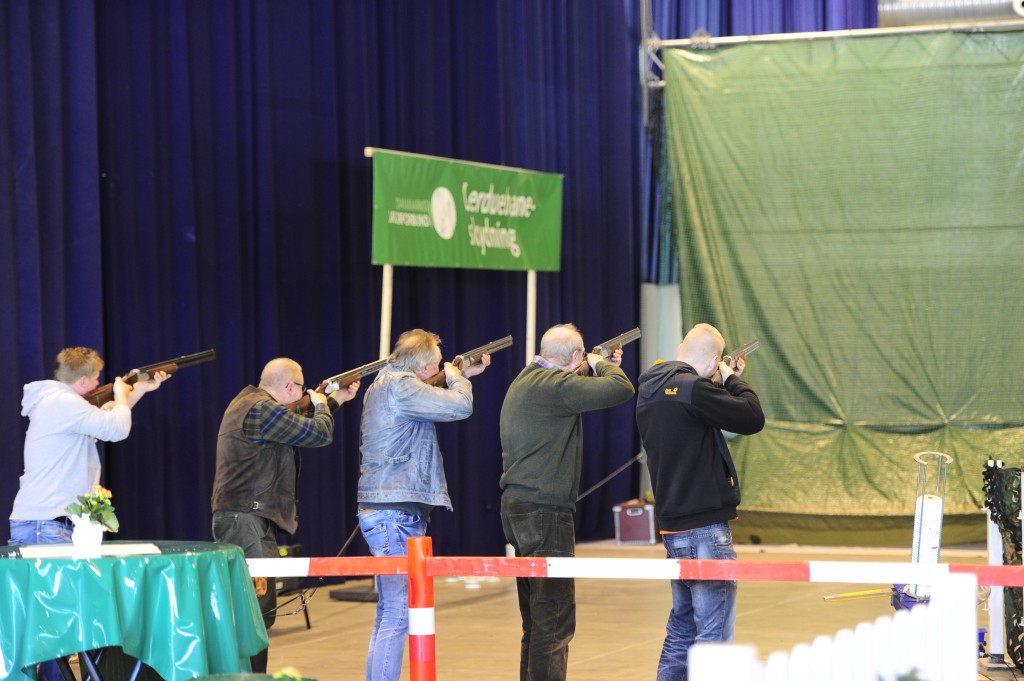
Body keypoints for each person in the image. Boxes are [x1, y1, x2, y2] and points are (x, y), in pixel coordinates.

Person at [9, 346, 168, 681]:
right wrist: (123, 393)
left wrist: (137, 390)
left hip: (49, 523)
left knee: (55, 625)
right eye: (96, 378)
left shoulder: (60, 403)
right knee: (55, 626)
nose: (101, 382)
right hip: (47, 525)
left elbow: (103, 424)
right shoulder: (63, 403)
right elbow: (118, 428)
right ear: (84, 381)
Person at [499, 323, 635, 681]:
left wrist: (588, 365)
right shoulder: (557, 387)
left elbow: (575, 386)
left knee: (538, 622)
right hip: (544, 512)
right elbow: (621, 387)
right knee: (555, 622)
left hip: (520, 508)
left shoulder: (527, 380)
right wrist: (601, 363)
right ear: (574, 356)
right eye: (581, 355)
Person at [211, 357, 359, 673]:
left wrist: (335, 400)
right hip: (245, 521)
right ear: (290, 387)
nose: (304, 393)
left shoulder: (254, 404)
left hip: (246, 520)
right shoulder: (262, 409)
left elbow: (297, 427)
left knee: (255, 611)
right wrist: (320, 404)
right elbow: (319, 434)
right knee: (253, 612)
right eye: (302, 388)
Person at [635, 323, 765, 681]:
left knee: (682, 628)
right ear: (711, 361)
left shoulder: (650, 386)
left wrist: (715, 379)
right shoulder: (693, 389)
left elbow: (689, 411)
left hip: (674, 525)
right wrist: (731, 379)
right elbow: (752, 417)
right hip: (705, 529)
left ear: (680, 348)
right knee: (714, 633)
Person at [357, 329, 490, 681]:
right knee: (398, 612)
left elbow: (429, 400)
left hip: (392, 509)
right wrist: (458, 378)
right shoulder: (400, 385)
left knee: (391, 611)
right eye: (435, 364)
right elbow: (461, 406)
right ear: (423, 366)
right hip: (394, 513)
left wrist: (459, 375)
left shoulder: (389, 384)